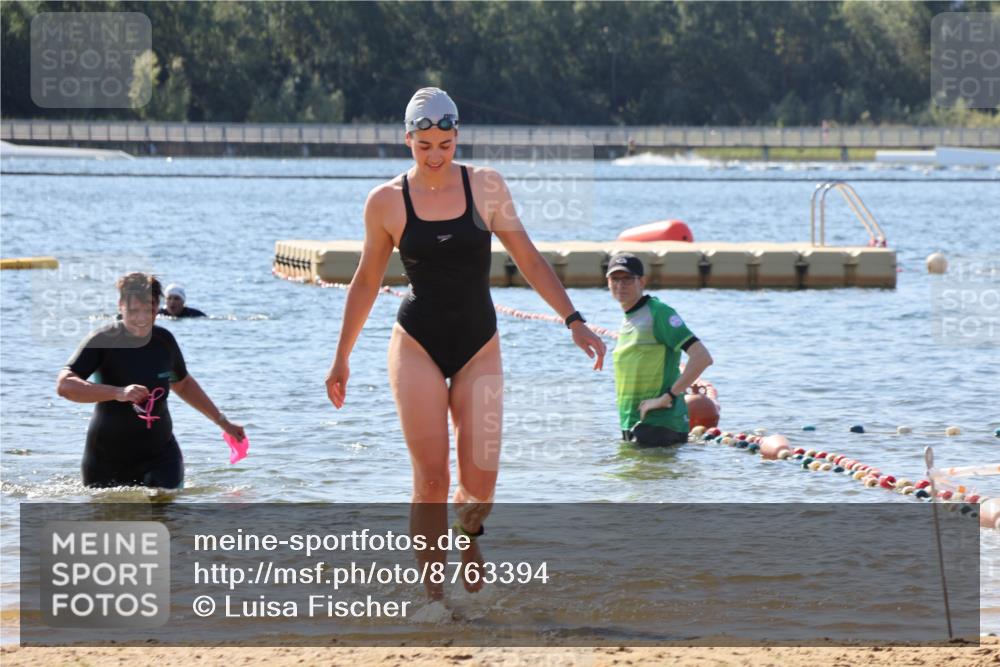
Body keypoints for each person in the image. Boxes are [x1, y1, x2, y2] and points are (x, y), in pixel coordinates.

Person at [325, 87, 606, 598]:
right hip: (416, 342)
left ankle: (469, 532)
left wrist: (574, 320)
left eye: (445, 144)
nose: (434, 156)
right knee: (431, 480)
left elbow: (530, 258)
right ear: (407, 139)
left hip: (479, 343)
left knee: (481, 485)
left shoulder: (486, 186)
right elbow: (366, 281)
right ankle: (435, 602)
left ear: (457, 138)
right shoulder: (386, 201)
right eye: (424, 144)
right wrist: (341, 356)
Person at [56, 272, 245, 488]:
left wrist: (223, 423)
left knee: (170, 517)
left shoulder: (164, 341)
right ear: (120, 305)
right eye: (134, 310)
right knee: (111, 520)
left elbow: (182, 384)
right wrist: (118, 393)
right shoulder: (103, 341)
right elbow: (65, 385)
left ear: (158, 306)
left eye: (150, 310)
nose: (142, 318)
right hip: (106, 459)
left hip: (161, 454)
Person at [607, 253, 713, 447]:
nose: (620, 285)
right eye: (615, 279)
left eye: (628, 279)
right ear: (608, 282)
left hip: (660, 425)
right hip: (635, 422)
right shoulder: (629, 317)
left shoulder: (658, 313)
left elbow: (702, 357)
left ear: (642, 281)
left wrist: (667, 398)